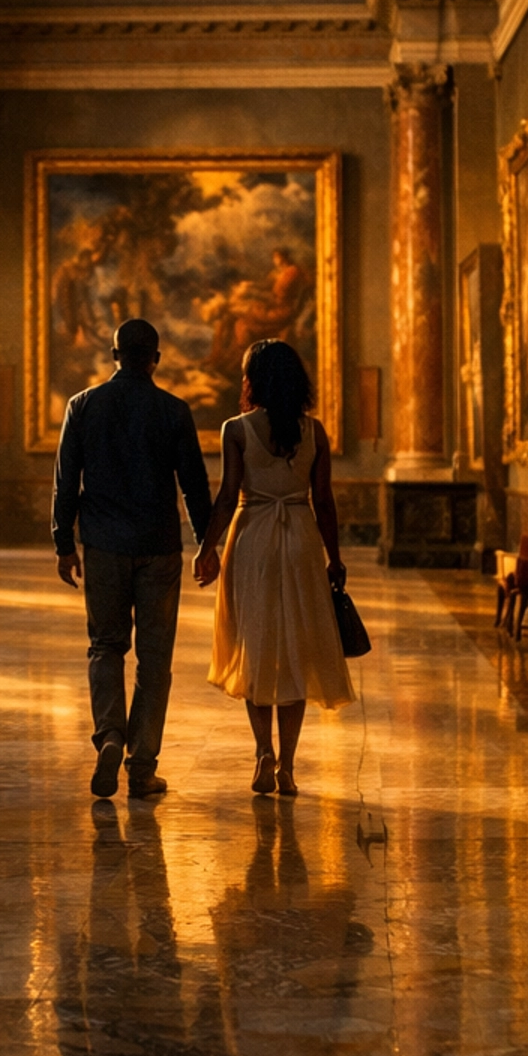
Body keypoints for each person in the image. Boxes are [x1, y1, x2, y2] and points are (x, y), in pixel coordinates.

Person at [53, 317, 214, 800]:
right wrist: (207, 544)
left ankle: (110, 735)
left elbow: (66, 480)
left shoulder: (83, 406)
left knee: (105, 645)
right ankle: (141, 766)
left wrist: (64, 543)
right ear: (155, 360)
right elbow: (193, 485)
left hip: (102, 545)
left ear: (114, 354)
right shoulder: (173, 411)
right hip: (159, 547)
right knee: (154, 658)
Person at [194, 338, 352, 795]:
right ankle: (287, 765)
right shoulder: (315, 431)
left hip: (253, 539)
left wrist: (208, 547)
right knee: (297, 650)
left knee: (255, 644)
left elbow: (226, 497)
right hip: (300, 538)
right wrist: (335, 556)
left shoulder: (236, 430)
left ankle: (262, 751)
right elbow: (324, 501)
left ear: (252, 380)